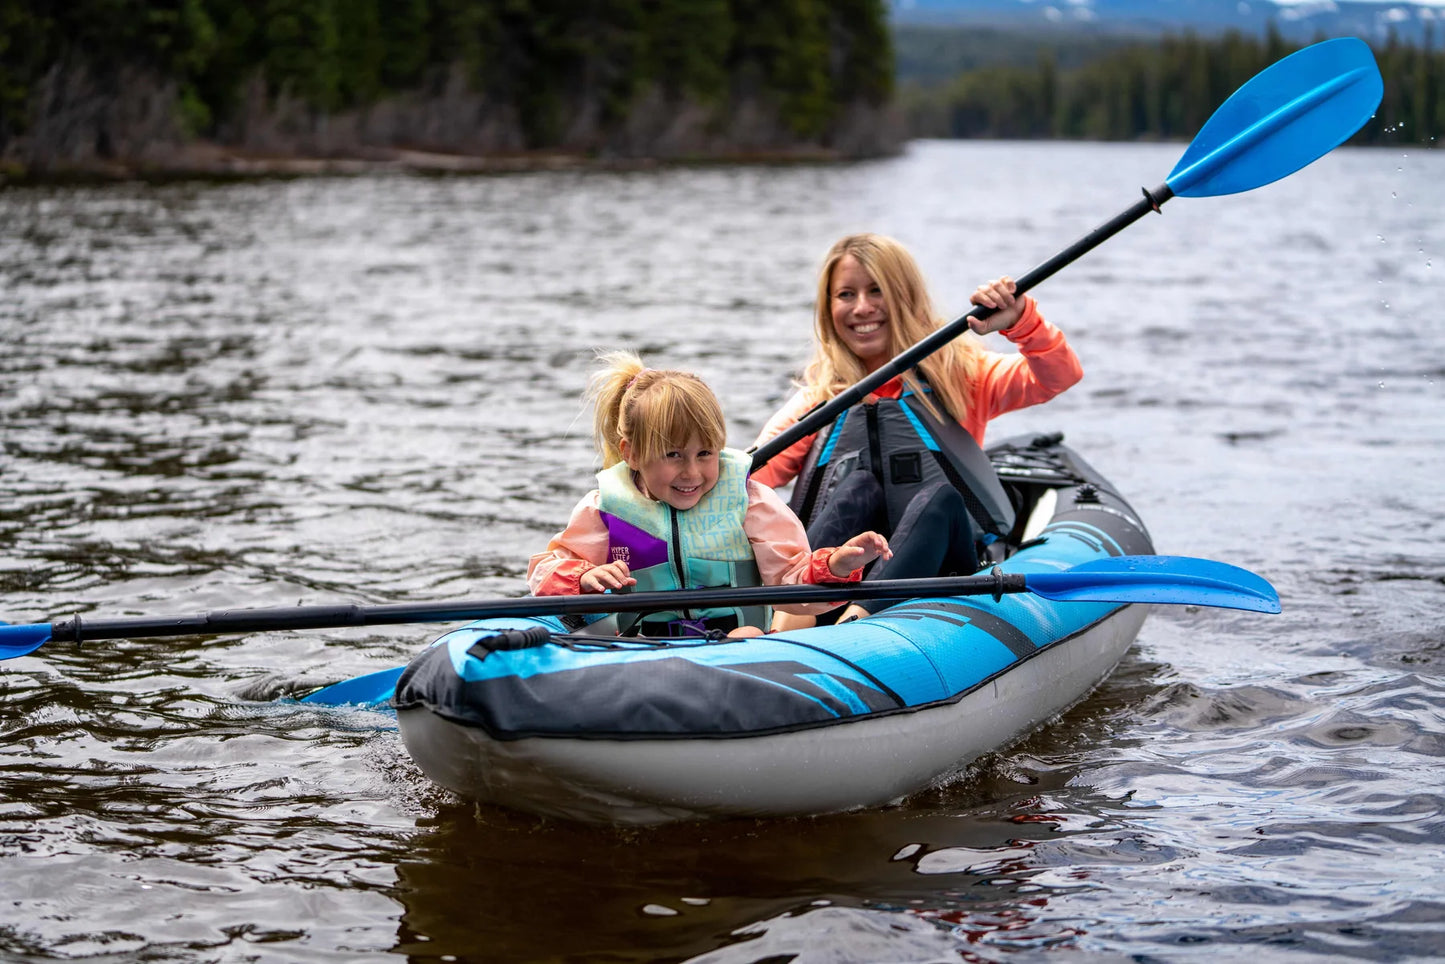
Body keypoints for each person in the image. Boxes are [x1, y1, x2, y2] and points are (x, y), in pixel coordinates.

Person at [752, 233, 1083, 627]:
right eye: (845, 295)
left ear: (905, 296)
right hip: (843, 577)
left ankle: (855, 625)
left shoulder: (959, 375)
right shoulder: (819, 402)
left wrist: (1022, 321)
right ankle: (787, 625)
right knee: (857, 487)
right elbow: (748, 481)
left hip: (946, 566)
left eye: (877, 290)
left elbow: (1057, 376)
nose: (862, 308)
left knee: (940, 498)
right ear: (828, 309)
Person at [528, 350, 892, 638]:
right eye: (673, 455)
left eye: (705, 454)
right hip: (643, 643)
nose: (692, 472)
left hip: (735, 640)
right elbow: (544, 572)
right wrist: (584, 577)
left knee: (748, 633)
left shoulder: (750, 501)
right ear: (632, 454)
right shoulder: (604, 509)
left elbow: (791, 582)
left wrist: (837, 565)